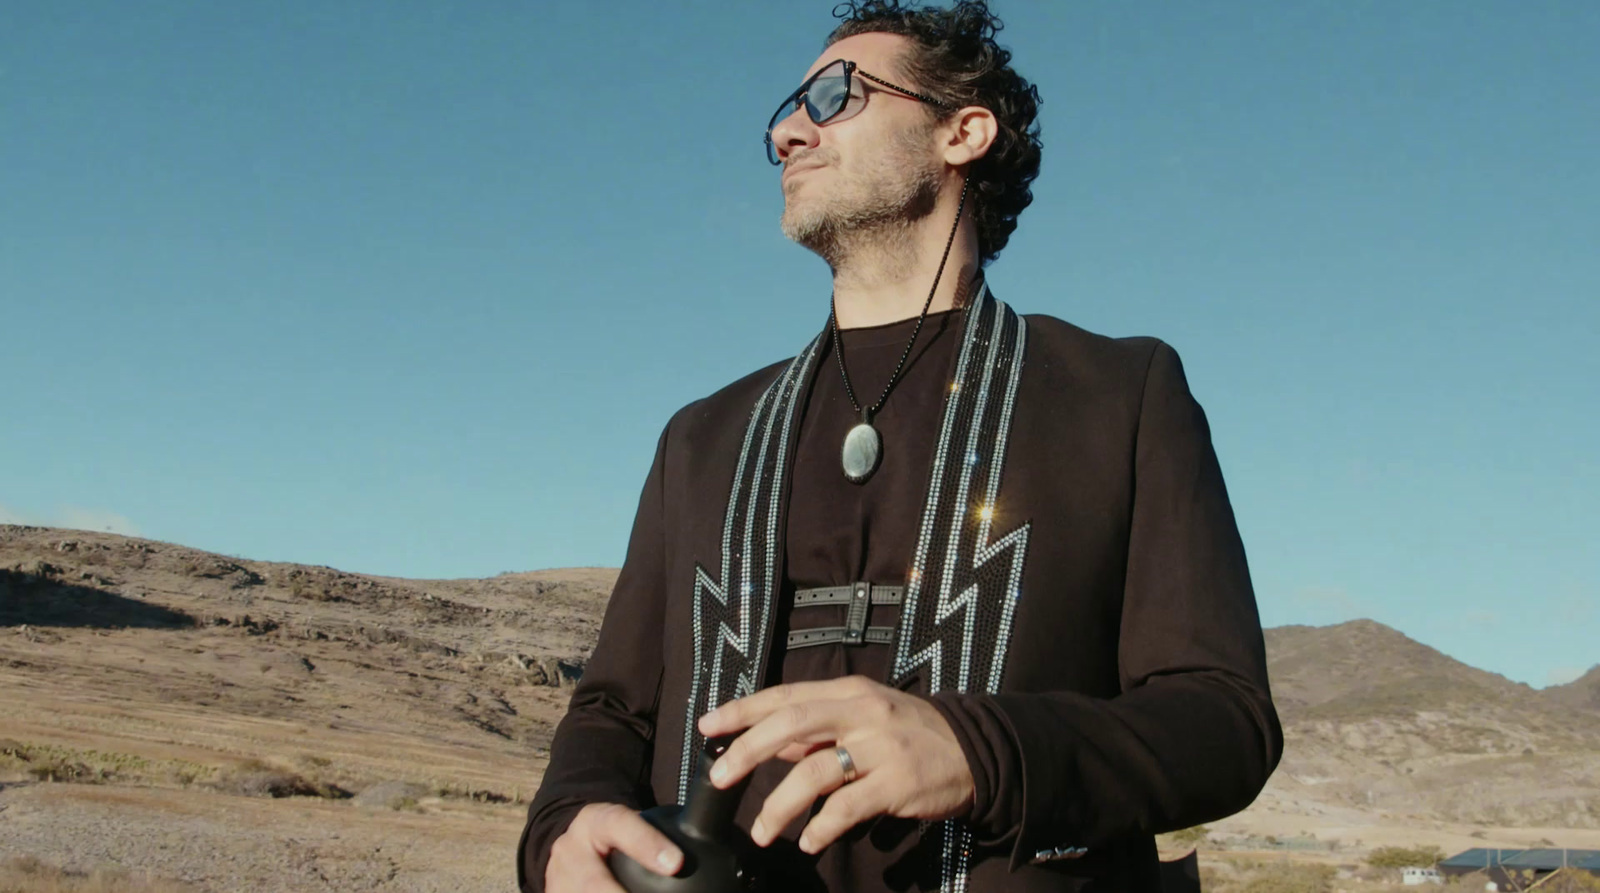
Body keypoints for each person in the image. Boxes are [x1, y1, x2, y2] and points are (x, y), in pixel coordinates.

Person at [517, 2, 1282, 891]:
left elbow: (1225, 721)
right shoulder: (703, 436)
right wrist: (563, 829)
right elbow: (614, 708)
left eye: (837, 95)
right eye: (786, 110)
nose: (788, 132)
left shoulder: (1120, 395)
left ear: (963, 131)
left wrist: (979, 750)